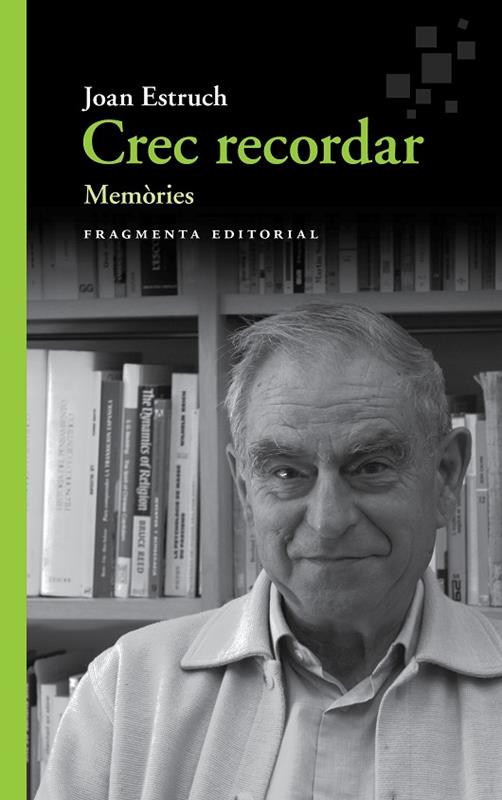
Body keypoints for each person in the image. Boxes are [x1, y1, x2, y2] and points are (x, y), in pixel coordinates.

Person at [36, 304, 502, 800]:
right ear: (245, 490)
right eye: (285, 473)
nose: (327, 520)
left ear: (446, 477)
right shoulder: (124, 691)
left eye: (371, 467)